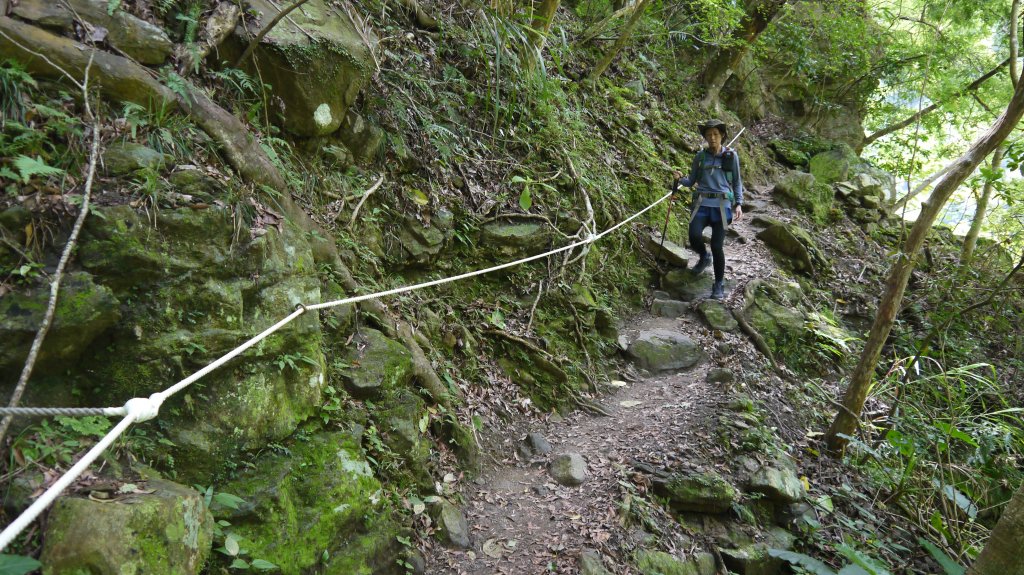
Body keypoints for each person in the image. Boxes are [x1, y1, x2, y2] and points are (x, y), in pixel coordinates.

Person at [671, 118, 744, 300]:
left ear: (722, 136)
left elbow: (736, 181)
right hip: (702, 204)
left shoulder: (731, 156)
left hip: (722, 206)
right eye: (709, 134)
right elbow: (691, 181)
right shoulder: (700, 157)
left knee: (717, 246)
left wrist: (739, 203)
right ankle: (704, 257)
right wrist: (680, 178)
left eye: (716, 134)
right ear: (705, 137)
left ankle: (718, 283)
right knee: (694, 235)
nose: (712, 138)